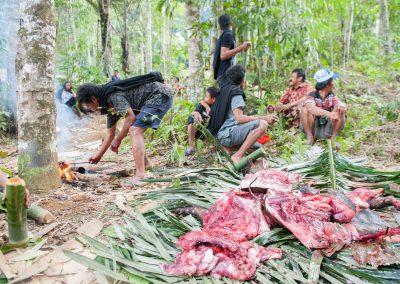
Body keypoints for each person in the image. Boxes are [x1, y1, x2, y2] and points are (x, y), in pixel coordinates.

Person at [77, 73, 174, 186]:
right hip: (154, 97)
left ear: (93, 99)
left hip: (159, 94)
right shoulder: (108, 104)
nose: (91, 111)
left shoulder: (112, 96)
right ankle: (145, 164)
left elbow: (130, 117)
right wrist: (98, 156)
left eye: (89, 108)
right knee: (137, 128)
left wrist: (118, 140)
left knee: (135, 130)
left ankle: (141, 175)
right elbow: (110, 134)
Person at [210, 65, 277, 164]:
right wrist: (265, 118)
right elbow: (239, 119)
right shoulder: (236, 93)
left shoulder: (224, 91)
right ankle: (238, 155)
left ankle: (228, 148)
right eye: (244, 78)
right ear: (241, 79)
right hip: (227, 134)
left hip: (221, 135)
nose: (245, 81)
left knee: (259, 149)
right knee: (262, 124)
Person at [300, 69, 347, 145]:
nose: (333, 84)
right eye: (332, 81)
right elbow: (311, 108)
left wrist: (342, 106)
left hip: (326, 129)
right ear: (327, 84)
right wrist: (328, 114)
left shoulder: (331, 96)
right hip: (313, 127)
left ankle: (333, 139)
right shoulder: (312, 94)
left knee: (339, 109)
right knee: (305, 109)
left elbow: (338, 103)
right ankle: (310, 137)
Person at [213, 14, 251, 88]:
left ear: (220, 27)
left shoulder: (223, 35)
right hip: (226, 76)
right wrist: (241, 48)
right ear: (231, 23)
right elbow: (223, 55)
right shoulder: (227, 35)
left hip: (224, 75)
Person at [186, 86, 219, 156]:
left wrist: (206, 106)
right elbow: (194, 112)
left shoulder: (217, 106)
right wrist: (197, 114)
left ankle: (206, 147)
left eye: (207, 97)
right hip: (199, 130)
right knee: (191, 118)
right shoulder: (202, 105)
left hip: (210, 133)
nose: (205, 99)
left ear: (213, 99)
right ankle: (191, 147)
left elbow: (211, 115)